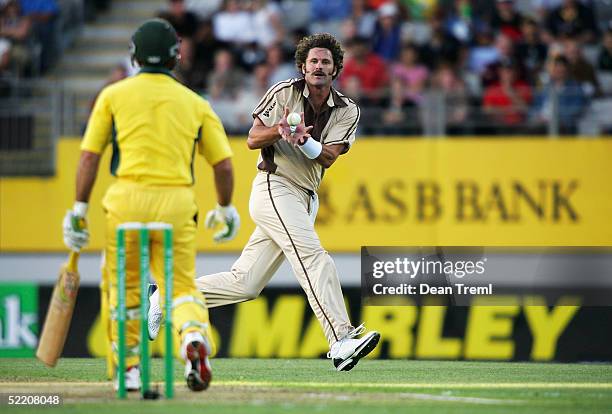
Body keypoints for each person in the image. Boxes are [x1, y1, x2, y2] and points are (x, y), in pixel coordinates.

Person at [148, 33, 380, 372]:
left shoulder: (348, 110)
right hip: (274, 186)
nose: (318, 66)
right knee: (314, 258)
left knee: (247, 283)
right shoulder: (285, 91)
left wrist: (304, 140)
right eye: (313, 61)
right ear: (303, 66)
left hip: (304, 198)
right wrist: (281, 129)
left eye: (325, 62)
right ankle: (341, 338)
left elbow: (328, 157)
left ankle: (167, 297)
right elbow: (253, 138)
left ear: (336, 69)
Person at [61, 18, 239, 392]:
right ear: (176, 58)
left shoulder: (112, 95)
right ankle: (192, 335)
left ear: (134, 57)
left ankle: (129, 369)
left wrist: (78, 209)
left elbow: (89, 157)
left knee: (123, 289)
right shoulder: (195, 102)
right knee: (181, 287)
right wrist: (225, 207)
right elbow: (222, 164)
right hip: (176, 206)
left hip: (125, 203)